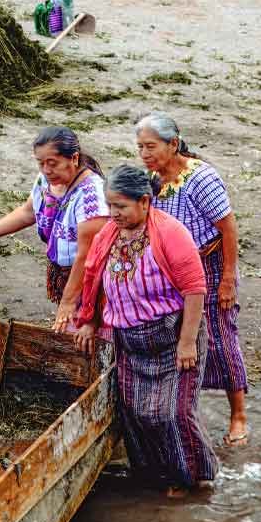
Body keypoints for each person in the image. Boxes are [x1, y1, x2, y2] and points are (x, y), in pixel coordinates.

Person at [74, 165, 218, 497]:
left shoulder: (170, 232)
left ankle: (192, 478)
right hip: (131, 341)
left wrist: (186, 344)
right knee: (137, 414)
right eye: (110, 206)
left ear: (144, 201)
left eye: (121, 206)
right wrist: (90, 320)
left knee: (172, 415)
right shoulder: (109, 234)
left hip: (172, 337)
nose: (114, 214)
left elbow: (195, 289)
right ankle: (157, 476)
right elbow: (94, 278)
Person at [137, 113, 250, 446]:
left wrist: (227, 279)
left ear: (174, 144)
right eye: (140, 147)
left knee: (220, 337)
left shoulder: (200, 177)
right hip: (176, 270)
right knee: (182, 339)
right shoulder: (152, 181)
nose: (145, 154)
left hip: (211, 265)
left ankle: (238, 415)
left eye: (151, 146)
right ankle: (186, 412)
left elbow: (228, 229)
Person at [0, 127, 108, 332]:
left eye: (52, 163)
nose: (46, 170)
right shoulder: (46, 180)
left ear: (74, 158)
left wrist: (67, 301)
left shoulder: (92, 195)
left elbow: (86, 255)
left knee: (89, 333)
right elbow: (29, 212)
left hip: (90, 279)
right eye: (41, 163)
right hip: (65, 275)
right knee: (70, 330)